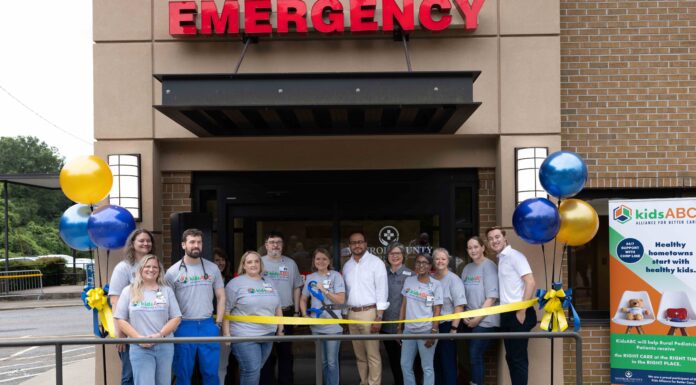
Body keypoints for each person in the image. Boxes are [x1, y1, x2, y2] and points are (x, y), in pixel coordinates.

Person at [165, 228, 226, 385]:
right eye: (192, 242)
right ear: (183, 245)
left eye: (199, 242)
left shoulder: (212, 268)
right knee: (183, 373)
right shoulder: (172, 272)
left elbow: (221, 296)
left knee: (211, 373)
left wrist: (218, 323)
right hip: (183, 326)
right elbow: (167, 302)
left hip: (208, 325)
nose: (196, 245)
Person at [114, 254, 182, 385]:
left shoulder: (166, 291)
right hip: (139, 348)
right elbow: (120, 319)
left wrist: (160, 335)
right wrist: (139, 338)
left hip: (164, 346)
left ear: (159, 270)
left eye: (155, 267)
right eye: (147, 266)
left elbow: (176, 317)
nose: (151, 269)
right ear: (140, 269)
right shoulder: (128, 291)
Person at [223, 251, 284, 385]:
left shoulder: (269, 281)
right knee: (251, 370)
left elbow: (277, 306)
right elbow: (225, 310)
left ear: (261, 264)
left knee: (254, 370)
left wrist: (281, 329)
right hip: (244, 335)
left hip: (268, 334)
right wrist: (227, 334)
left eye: (256, 261)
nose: (253, 264)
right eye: (249, 262)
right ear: (243, 265)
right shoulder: (235, 284)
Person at [486, 226, 536, 385]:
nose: (494, 241)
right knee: (511, 357)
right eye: (491, 238)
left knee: (518, 358)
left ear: (504, 237)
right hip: (506, 314)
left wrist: (521, 311)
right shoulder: (501, 258)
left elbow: (530, 282)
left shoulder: (515, 256)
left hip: (518, 313)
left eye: (497, 237)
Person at [342, 231, 389, 385]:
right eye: (354, 242)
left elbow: (382, 291)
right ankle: (364, 381)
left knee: (373, 355)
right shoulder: (347, 266)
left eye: (360, 242)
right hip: (351, 314)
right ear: (350, 246)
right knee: (359, 355)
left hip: (370, 313)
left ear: (366, 244)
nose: (357, 245)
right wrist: (344, 315)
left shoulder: (376, 263)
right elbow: (346, 293)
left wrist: (379, 317)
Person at [110, 229, 156, 385]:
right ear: (132, 243)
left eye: (148, 241)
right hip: (130, 332)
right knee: (129, 376)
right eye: (141, 240)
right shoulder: (123, 268)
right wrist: (120, 334)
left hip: (151, 332)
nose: (145, 243)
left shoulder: (155, 266)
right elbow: (115, 302)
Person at [260, 231, 304, 385]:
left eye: (278, 242)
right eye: (272, 242)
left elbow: (296, 288)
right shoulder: (258, 262)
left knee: (285, 353)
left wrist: (297, 312)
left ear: (283, 245)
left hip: (286, 312)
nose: (275, 245)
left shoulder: (290, 263)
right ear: (266, 245)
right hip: (264, 315)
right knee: (266, 354)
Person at [299, 248, 346, 385]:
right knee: (323, 362)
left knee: (332, 362)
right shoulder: (310, 277)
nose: (321, 261)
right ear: (314, 261)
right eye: (318, 258)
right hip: (316, 325)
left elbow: (341, 300)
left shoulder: (336, 276)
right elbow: (303, 299)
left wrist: (324, 290)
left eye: (324, 259)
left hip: (333, 326)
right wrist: (304, 315)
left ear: (329, 261)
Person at [461, 236, 500, 385]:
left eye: (476, 247)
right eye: (470, 248)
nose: (473, 250)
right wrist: (465, 314)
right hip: (469, 320)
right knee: (469, 357)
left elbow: (492, 297)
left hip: (486, 321)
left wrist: (477, 318)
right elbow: (462, 296)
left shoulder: (489, 266)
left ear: (483, 248)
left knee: (475, 355)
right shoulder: (467, 268)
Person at [398, 253, 442, 385]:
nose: (421, 265)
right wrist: (399, 327)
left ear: (430, 266)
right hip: (409, 331)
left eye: (424, 263)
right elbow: (404, 305)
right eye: (418, 262)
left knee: (427, 368)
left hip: (426, 331)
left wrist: (433, 333)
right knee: (405, 365)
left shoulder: (436, 285)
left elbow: (437, 310)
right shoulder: (409, 281)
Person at [431, 248, 466, 385]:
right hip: (433, 326)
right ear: (433, 261)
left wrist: (454, 328)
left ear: (448, 260)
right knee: (435, 362)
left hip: (447, 325)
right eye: (437, 259)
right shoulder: (431, 279)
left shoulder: (454, 280)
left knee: (448, 363)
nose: (440, 261)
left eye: (443, 259)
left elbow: (459, 306)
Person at [380, 242, 413, 385]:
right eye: (392, 254)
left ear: (403, 256)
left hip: (405, 328)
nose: (395, 256)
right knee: (393, 361)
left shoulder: (411, 275)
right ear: (387, 256)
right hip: (386, 326)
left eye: (398, 253)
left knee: (406, 363)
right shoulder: (382, 274)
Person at [213, 248, 236, 385]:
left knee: (223, 362)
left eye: (223, 260)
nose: (220, 263)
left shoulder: (232, 280)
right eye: (216, 260)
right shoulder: (207, 279)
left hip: (228, 326)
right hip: (210, 325)